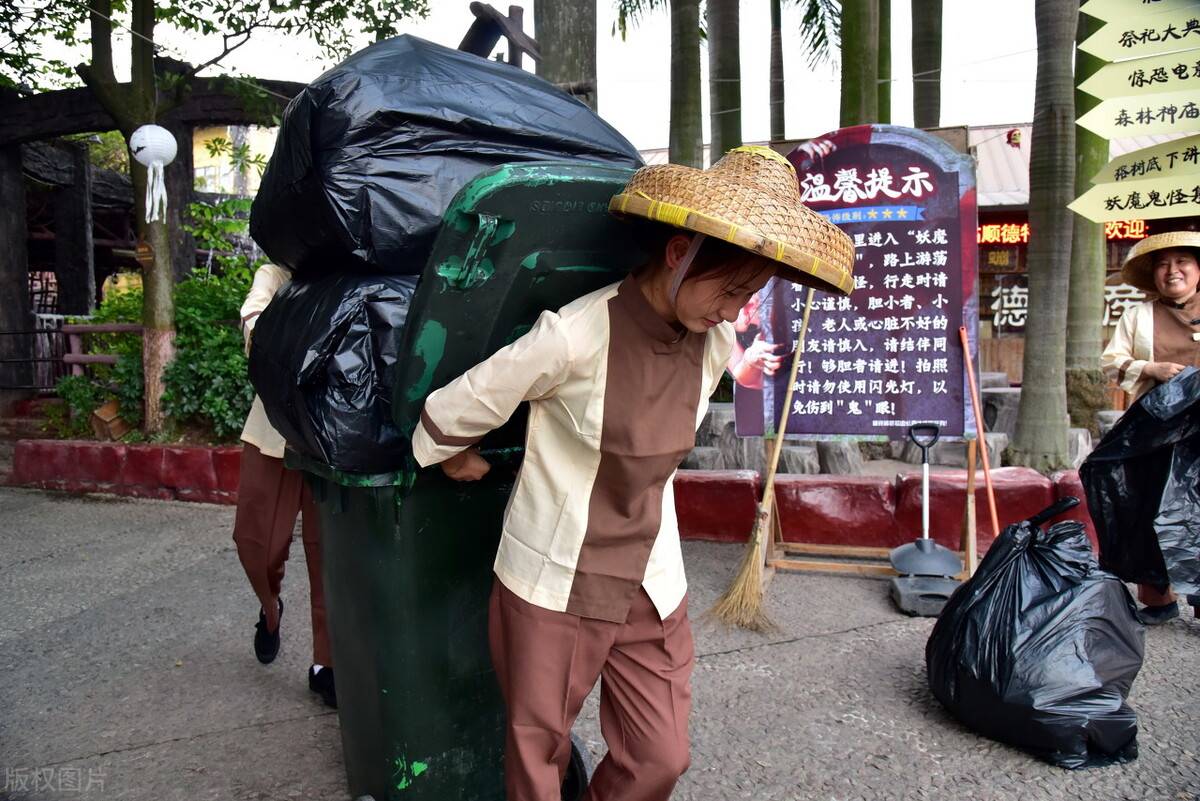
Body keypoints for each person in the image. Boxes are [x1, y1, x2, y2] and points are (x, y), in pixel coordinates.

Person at [412, 147, 854, 801]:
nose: (734, 311)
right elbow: (458, 402)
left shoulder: (714, 345)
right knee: (540, 752)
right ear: (678, 252)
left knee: (661, 756)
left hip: (651, 578)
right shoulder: (574, 334)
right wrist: (455, 452)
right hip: (556, 580)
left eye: (748, 295)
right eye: (729, 289)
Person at [234, 263, 336, 707]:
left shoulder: (352, 269)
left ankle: (327, 665)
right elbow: (254, 326)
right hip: (273, 428)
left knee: (329, 555)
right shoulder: (275, 274)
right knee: (257, 541)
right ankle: (270, 608)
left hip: (333, 436)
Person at [1101, 230, 1200, 625]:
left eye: (1182, 262)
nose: (1172, 271)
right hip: (1155, 431)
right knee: (1153, 507)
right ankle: (1159, 598)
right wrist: (1150, 368)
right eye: (1162, 264)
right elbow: (1112, 361)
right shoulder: (1138, 315)